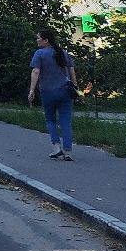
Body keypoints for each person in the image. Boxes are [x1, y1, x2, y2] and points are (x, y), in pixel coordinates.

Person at [27, 28, 77, 161]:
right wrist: (75, 87)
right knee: (66, 121)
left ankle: (56, 147)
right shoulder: (63, 52)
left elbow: (36, 72)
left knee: (50, 119)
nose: (37, 40)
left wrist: (32, 89)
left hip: (48, 92)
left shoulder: (40, 54)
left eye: (38, 38)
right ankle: (68, 151)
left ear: (46, 40)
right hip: (65, 91)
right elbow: (72, 71)